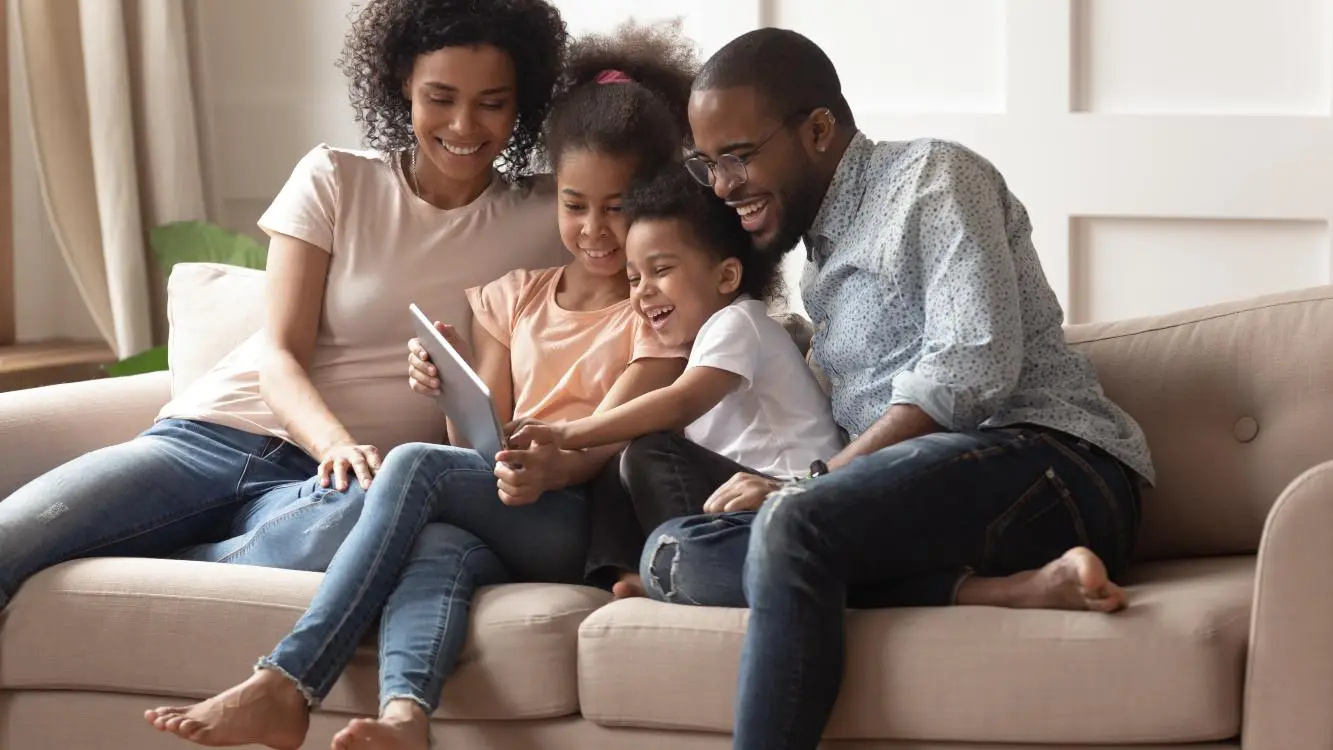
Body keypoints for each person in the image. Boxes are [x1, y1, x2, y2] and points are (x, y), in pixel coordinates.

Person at [144, 22, 698, 750]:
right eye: (573, 204)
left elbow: (612, 437)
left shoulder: (655, 312)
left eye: (617, 207)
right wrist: (450, 393)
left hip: (577, 517)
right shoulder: (513, 296)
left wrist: (548, 460)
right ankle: (406, 717)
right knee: (436, 545)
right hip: (506, 498)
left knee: (406, 466)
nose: (593, 229)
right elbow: (475, 438)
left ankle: (287, 681)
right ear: (554, 196)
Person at [642, 28, 1157, 750]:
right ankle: (1009, 590)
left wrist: (808, 486)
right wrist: (806, 485)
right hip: (937, 498)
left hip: (1052, 468)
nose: (722, 185)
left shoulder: (934, 178)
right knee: (669, 552)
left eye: (738, 155)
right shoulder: (817, 263)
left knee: (793, 525)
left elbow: (969, 368)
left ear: (818, 129)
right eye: (707, 163)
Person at [0, 0, 571, 599]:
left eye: (492, 103)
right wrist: (335, 444)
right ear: (404, 83)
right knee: (16, 535)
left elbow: (641, 198)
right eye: (440, 97)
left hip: (336, 494)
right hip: (214, 438)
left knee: (368, 516)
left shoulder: (551, 217)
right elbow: (278, 351)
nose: (463, 126)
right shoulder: (336, 178)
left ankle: (184, 561)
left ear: (522, 100)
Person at [508, 167, 844, 599]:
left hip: (786, 503)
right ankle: (622, 570)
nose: (643, 291)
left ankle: (683, 565)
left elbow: (681, 403)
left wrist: (567, 432)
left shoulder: (741, 322)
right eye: (634, 278)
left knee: (650, 447)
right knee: (625, 457)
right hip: (741, 505)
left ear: (726, 277)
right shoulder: (703, 343)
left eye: (660, 270)